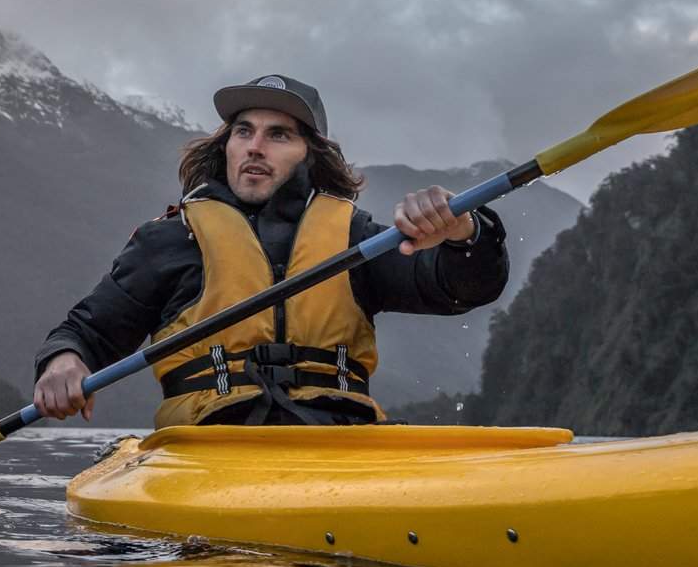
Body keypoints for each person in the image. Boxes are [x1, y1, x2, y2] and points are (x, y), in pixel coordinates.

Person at [33, 74, 509, 426]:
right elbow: (88, 332)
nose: (254, 147)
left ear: (310, 154)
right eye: (243, 131)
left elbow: (460, 287)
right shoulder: (171, 239)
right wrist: (64, 360)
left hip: (340, 439)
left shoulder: (353, 238)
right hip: (207, 443)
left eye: (278, 134)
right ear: (227, 146)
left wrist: (464, 232)